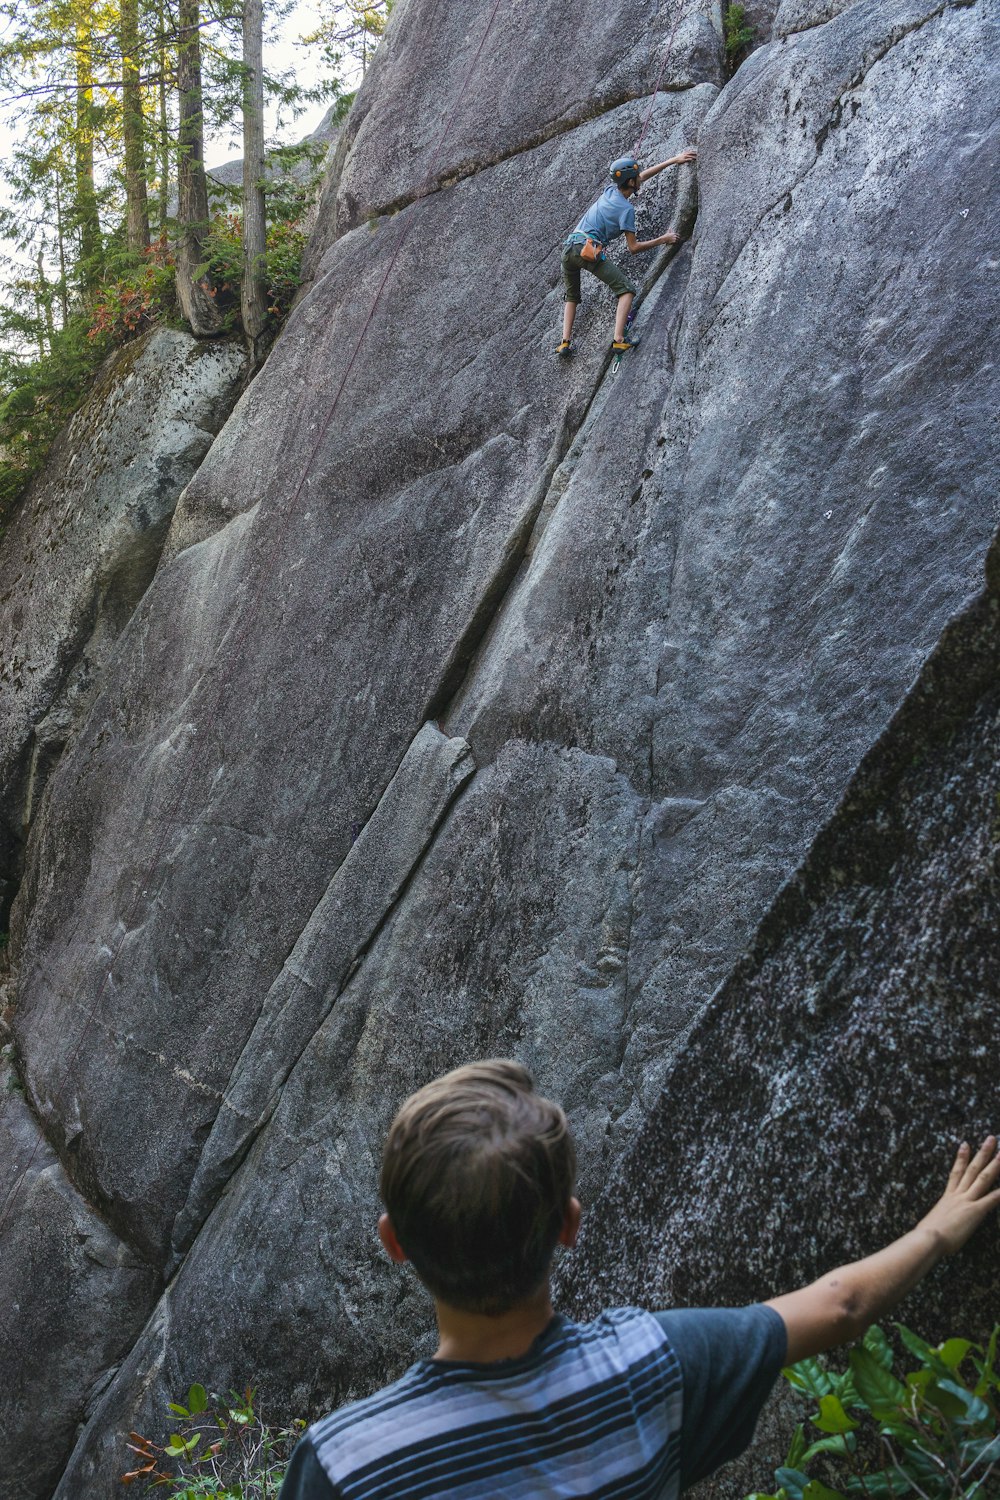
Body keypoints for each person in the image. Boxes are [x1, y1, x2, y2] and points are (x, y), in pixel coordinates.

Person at [279, 1060, 1000, 1500]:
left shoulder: (348, 1464)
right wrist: (936, 1229)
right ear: (569, 1223)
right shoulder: (655, 1366)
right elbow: (839, 1306)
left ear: (393, 1243)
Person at [556, 152, 697, 359]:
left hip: (569, 248)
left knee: (572, 295)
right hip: (586, 249)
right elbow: (634, 247)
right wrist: (663, 239)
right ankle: (619, 340)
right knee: (626, 290)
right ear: (630, 182)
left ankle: (565, 343)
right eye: (636, 177)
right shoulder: (626, 210)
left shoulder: (611, 190)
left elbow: (641, 177)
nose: (640, 178)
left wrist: (672, 160)